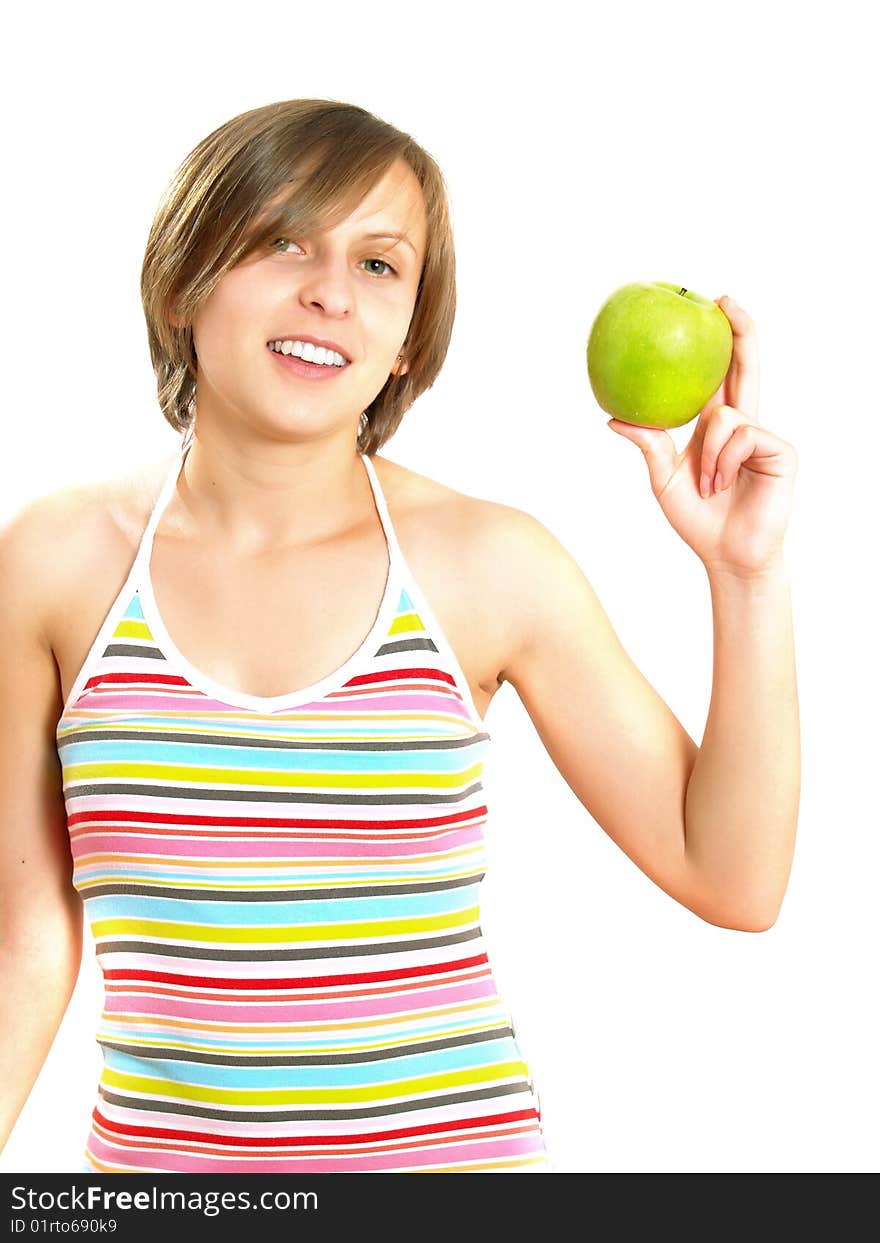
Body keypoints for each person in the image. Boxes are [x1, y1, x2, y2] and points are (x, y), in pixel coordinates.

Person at [0, 97, 800, 1175]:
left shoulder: (488, 563)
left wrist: (741, 574)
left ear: (412, 336)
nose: (330, 292)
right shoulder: (53, 562)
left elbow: (733, 878)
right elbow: (25, 940)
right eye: (284, 239)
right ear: (186, 279)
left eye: (380, 266)